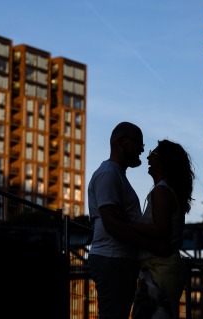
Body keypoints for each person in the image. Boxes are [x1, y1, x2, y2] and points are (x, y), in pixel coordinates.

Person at [105, 139, 195, 319]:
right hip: (161, 269)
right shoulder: (167, 191)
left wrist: (127, 223)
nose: (148, 157)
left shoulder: (161, 192)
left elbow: (160, 230)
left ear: (163, 161)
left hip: (159, 270)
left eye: (152, 154)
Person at [87, 121, 145, 319]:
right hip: (113, 259)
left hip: (117, 259)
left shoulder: (115, 174)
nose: (141, 150)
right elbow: (112, 223)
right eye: (138, 143)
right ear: (121, 141)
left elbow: (116, 221)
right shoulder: (109, 174)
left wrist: (127, 222)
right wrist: (149, 242)